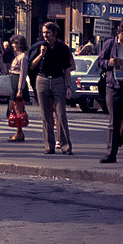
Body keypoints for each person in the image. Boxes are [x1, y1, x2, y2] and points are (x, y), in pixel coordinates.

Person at [28, 22, 74, 155]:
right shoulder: (38, 47)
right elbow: (31, 66)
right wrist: (41, 55)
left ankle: (65, 146)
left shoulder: (63, 48)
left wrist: (69, 86)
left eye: (48, 32)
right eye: (43, 32)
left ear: (54, 33)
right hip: (42, 80)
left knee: (61, 114)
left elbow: (66, 68)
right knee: (45, 115)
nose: (45, 35)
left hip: (58, 80)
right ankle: (49, 145)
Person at [96, 24, 123, 163]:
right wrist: (109, 63)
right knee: (114, 122)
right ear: (118, 34)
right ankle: (111, 153)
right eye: (122, 39)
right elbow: (99, 62)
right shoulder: (110, 44)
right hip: (114, 87)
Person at [8, 34, 29, 142]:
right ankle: (18, 132)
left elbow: (23, 73)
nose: (13, 45)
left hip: (18, 83)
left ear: (19, 44)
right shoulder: (18, 56)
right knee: (14, 108)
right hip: (13, 80)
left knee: (18, 109)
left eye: (14, 43)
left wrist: (20, 89)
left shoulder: (23, 57)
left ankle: (19, 133)